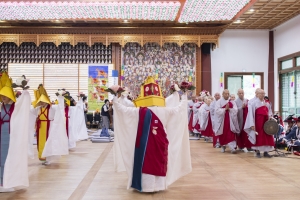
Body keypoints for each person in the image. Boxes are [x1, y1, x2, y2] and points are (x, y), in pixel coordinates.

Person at [112, 77, 191, 192]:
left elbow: (122, 109)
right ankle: (158, 186)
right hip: (160, 141)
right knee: (158, 161)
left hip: (145, 143)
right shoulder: (165, 110)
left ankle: (145, 186)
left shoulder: (139, 111)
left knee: (146, 161)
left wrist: (115, 97)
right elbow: (179, 109)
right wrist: (183, 95)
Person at [0, 76, 31, 192]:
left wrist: (24, 89)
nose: (3, 98)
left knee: (8, 158)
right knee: (1, 158)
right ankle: (2, 182)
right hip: (1, 134)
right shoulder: (1, 106)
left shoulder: (15, 106)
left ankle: (8, 181)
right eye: (2, 96)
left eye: (5, 96)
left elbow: (25, 100)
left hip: (11, 135)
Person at [31, 85, 68, 165]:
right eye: (40, 101)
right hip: (40, 128)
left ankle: (48, 158)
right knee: (40, 143)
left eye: (43, 101)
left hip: (49, 127)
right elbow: (30, 111)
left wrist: (60, 98)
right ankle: (43, 157)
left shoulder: (52, 108)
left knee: (49, 142)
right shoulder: (38, 108)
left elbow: (61, 108)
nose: (42, 102)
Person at [244, 89, 274, 158]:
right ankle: (257, 152)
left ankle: (266, 152)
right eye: (260, 93)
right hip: (258, 122)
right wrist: (251, 124)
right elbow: (250, 114)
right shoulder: (253, 103)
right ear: (257, 94)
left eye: (263, 93)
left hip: (266, 123)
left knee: (267, 137)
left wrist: (270, 116)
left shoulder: (267, 103)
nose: (262, 95)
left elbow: (269, 112)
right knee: (258, 137)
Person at [214, 89, 240, 153]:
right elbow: (217, 110)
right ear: (222, 94)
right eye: (226, 94)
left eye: (228, 93)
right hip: (222, 121)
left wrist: (230, 110)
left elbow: (235, 110)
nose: (227, 95)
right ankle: (223, 146)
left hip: (230, 121)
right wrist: (225, 109)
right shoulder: (219, 102)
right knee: (223, 134)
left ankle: (233, 148)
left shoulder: (232, 102)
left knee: (231, 134)